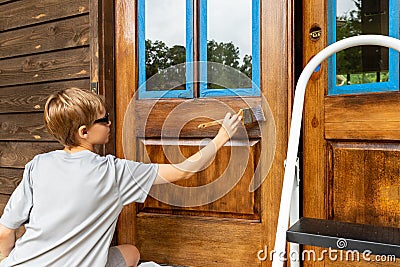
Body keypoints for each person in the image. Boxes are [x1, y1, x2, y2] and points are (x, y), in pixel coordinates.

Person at [0, 88, 242, 267]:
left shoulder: (38, 165)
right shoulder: (113, 172)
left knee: (131, 252)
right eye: (104, 119)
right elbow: (183, 170)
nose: (109, 123)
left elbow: (5, 232)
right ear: (84, 132)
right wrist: (221, 137)